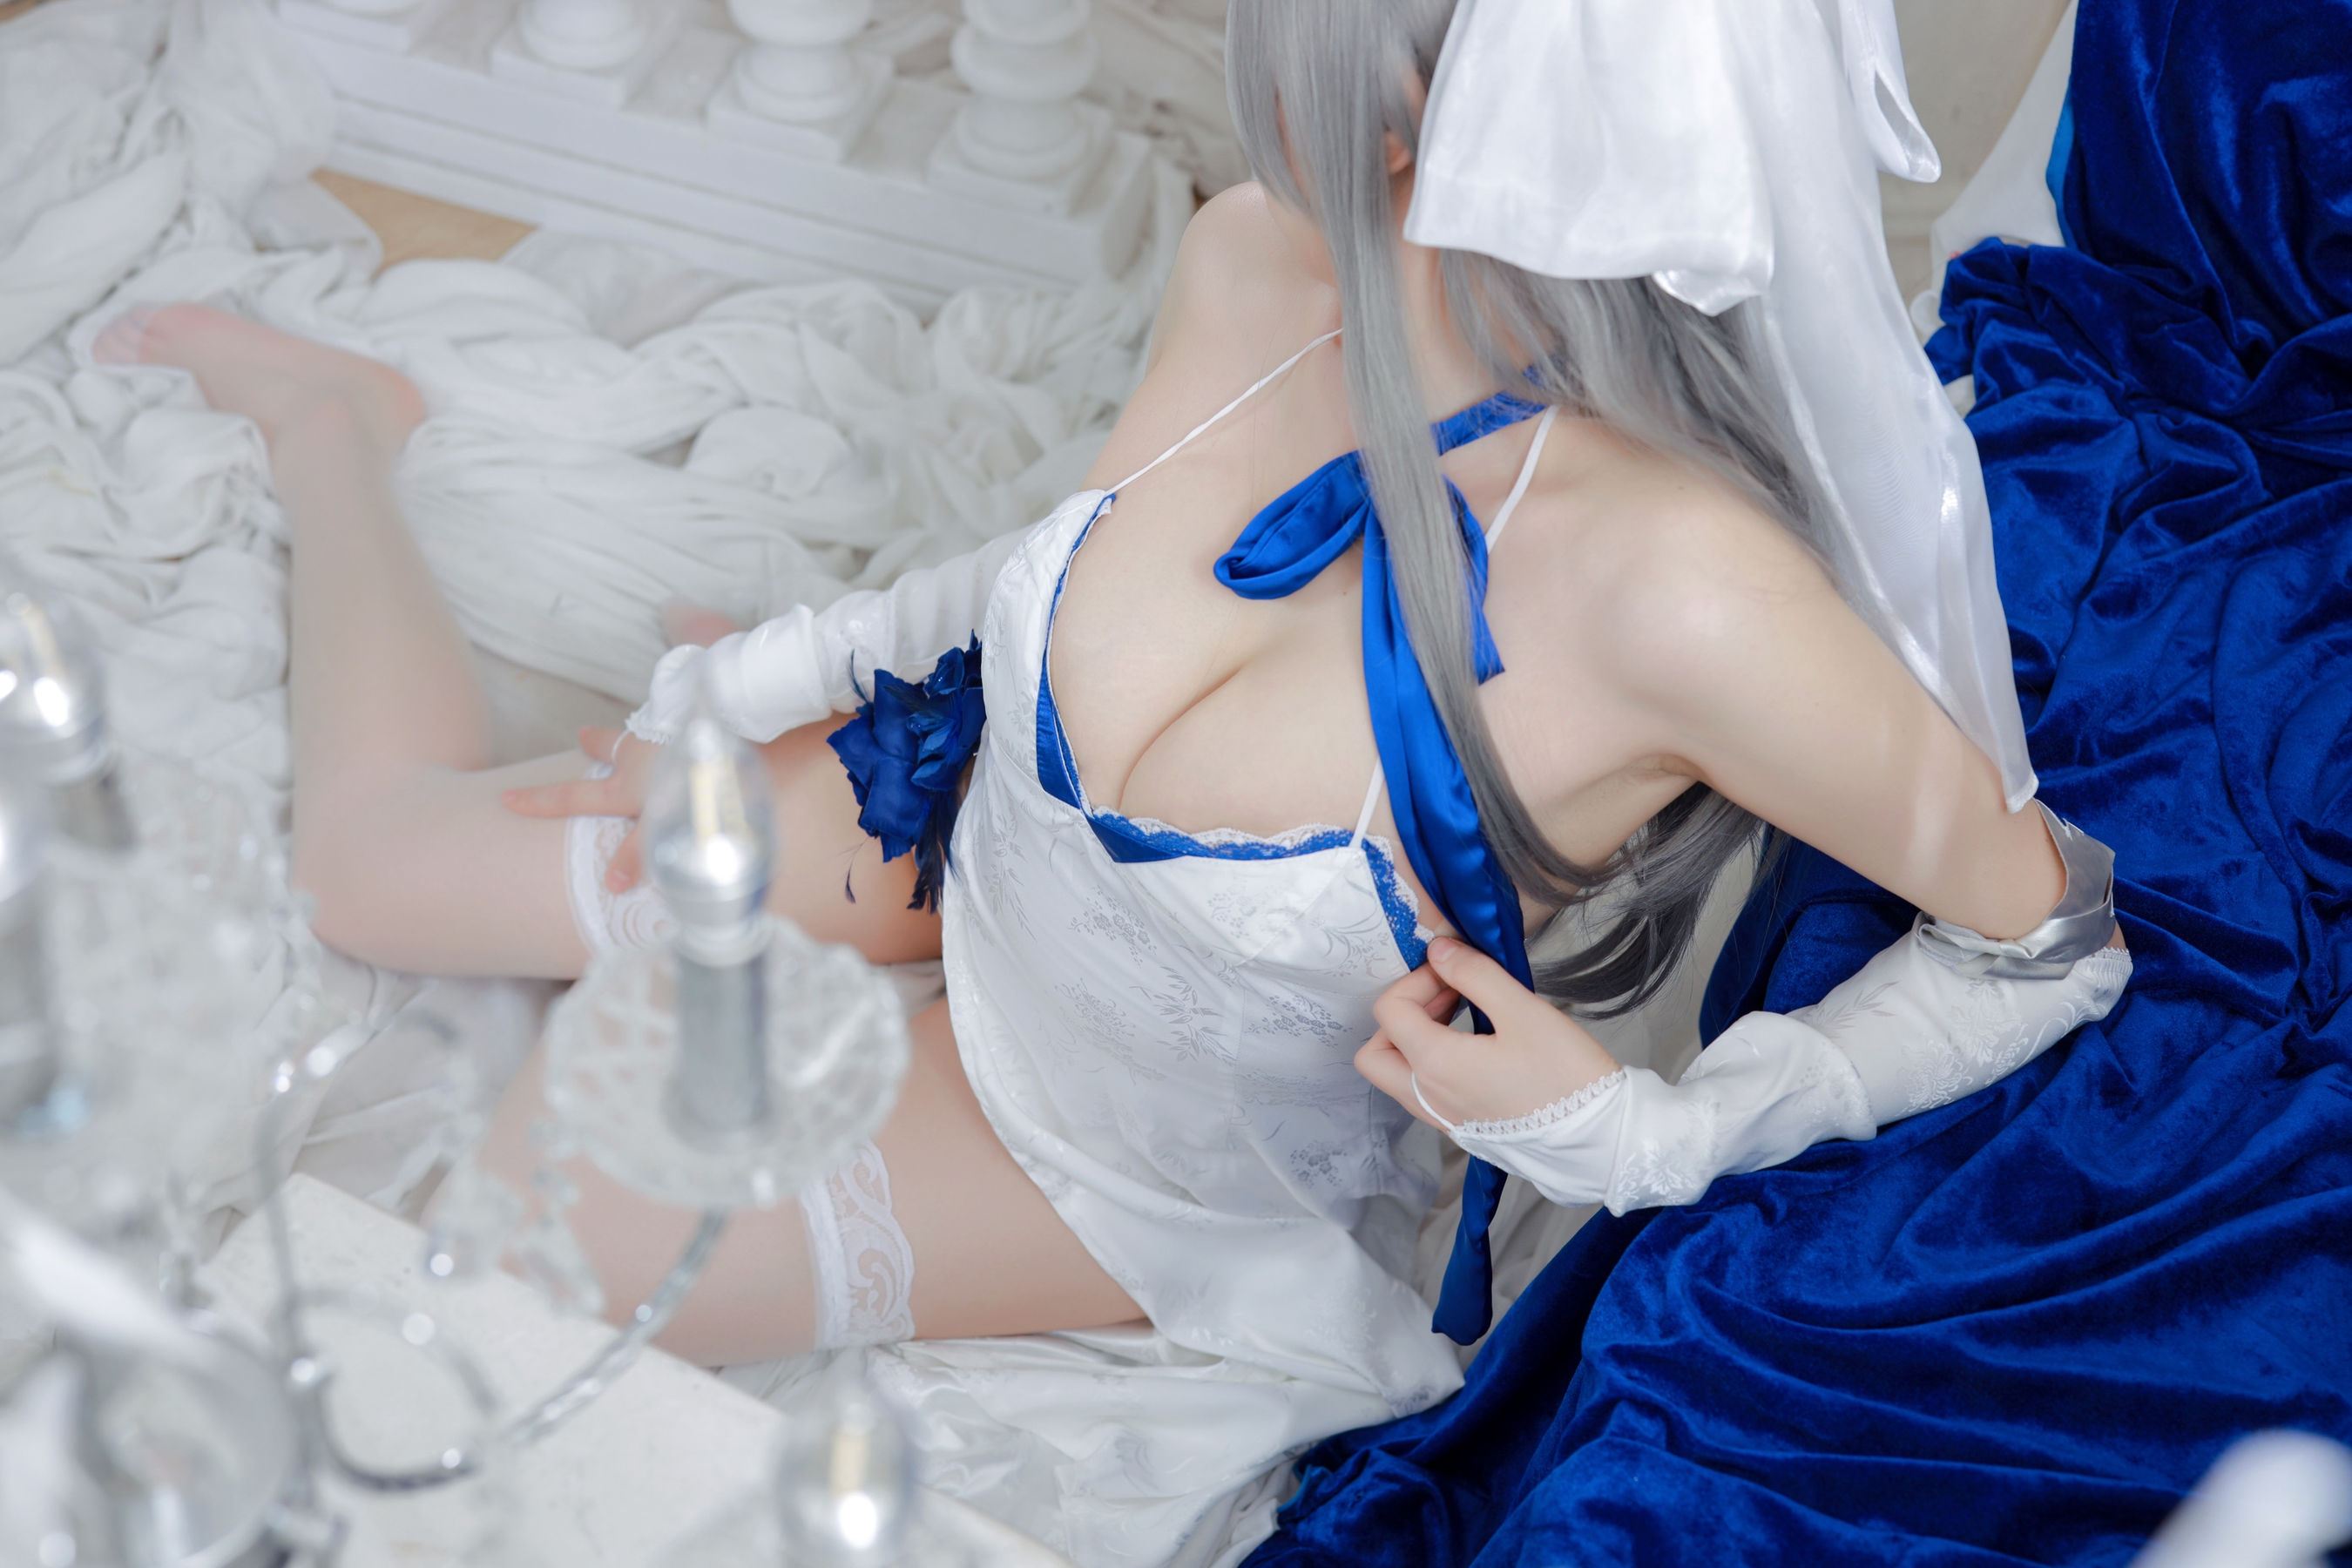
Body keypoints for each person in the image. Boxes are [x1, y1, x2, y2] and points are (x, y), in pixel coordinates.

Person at [91, 0, 2121, 1429]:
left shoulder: (1682, 593)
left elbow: (2049, 943)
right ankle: (343, 429)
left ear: (1455, 121)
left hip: (1116, 1141)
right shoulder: (1266, 260)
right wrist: (756, 678)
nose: (1272, 115)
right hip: (965, 814)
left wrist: (1652, 1133)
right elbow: (1070, 554)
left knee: (499, 1260)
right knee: (370, 876)